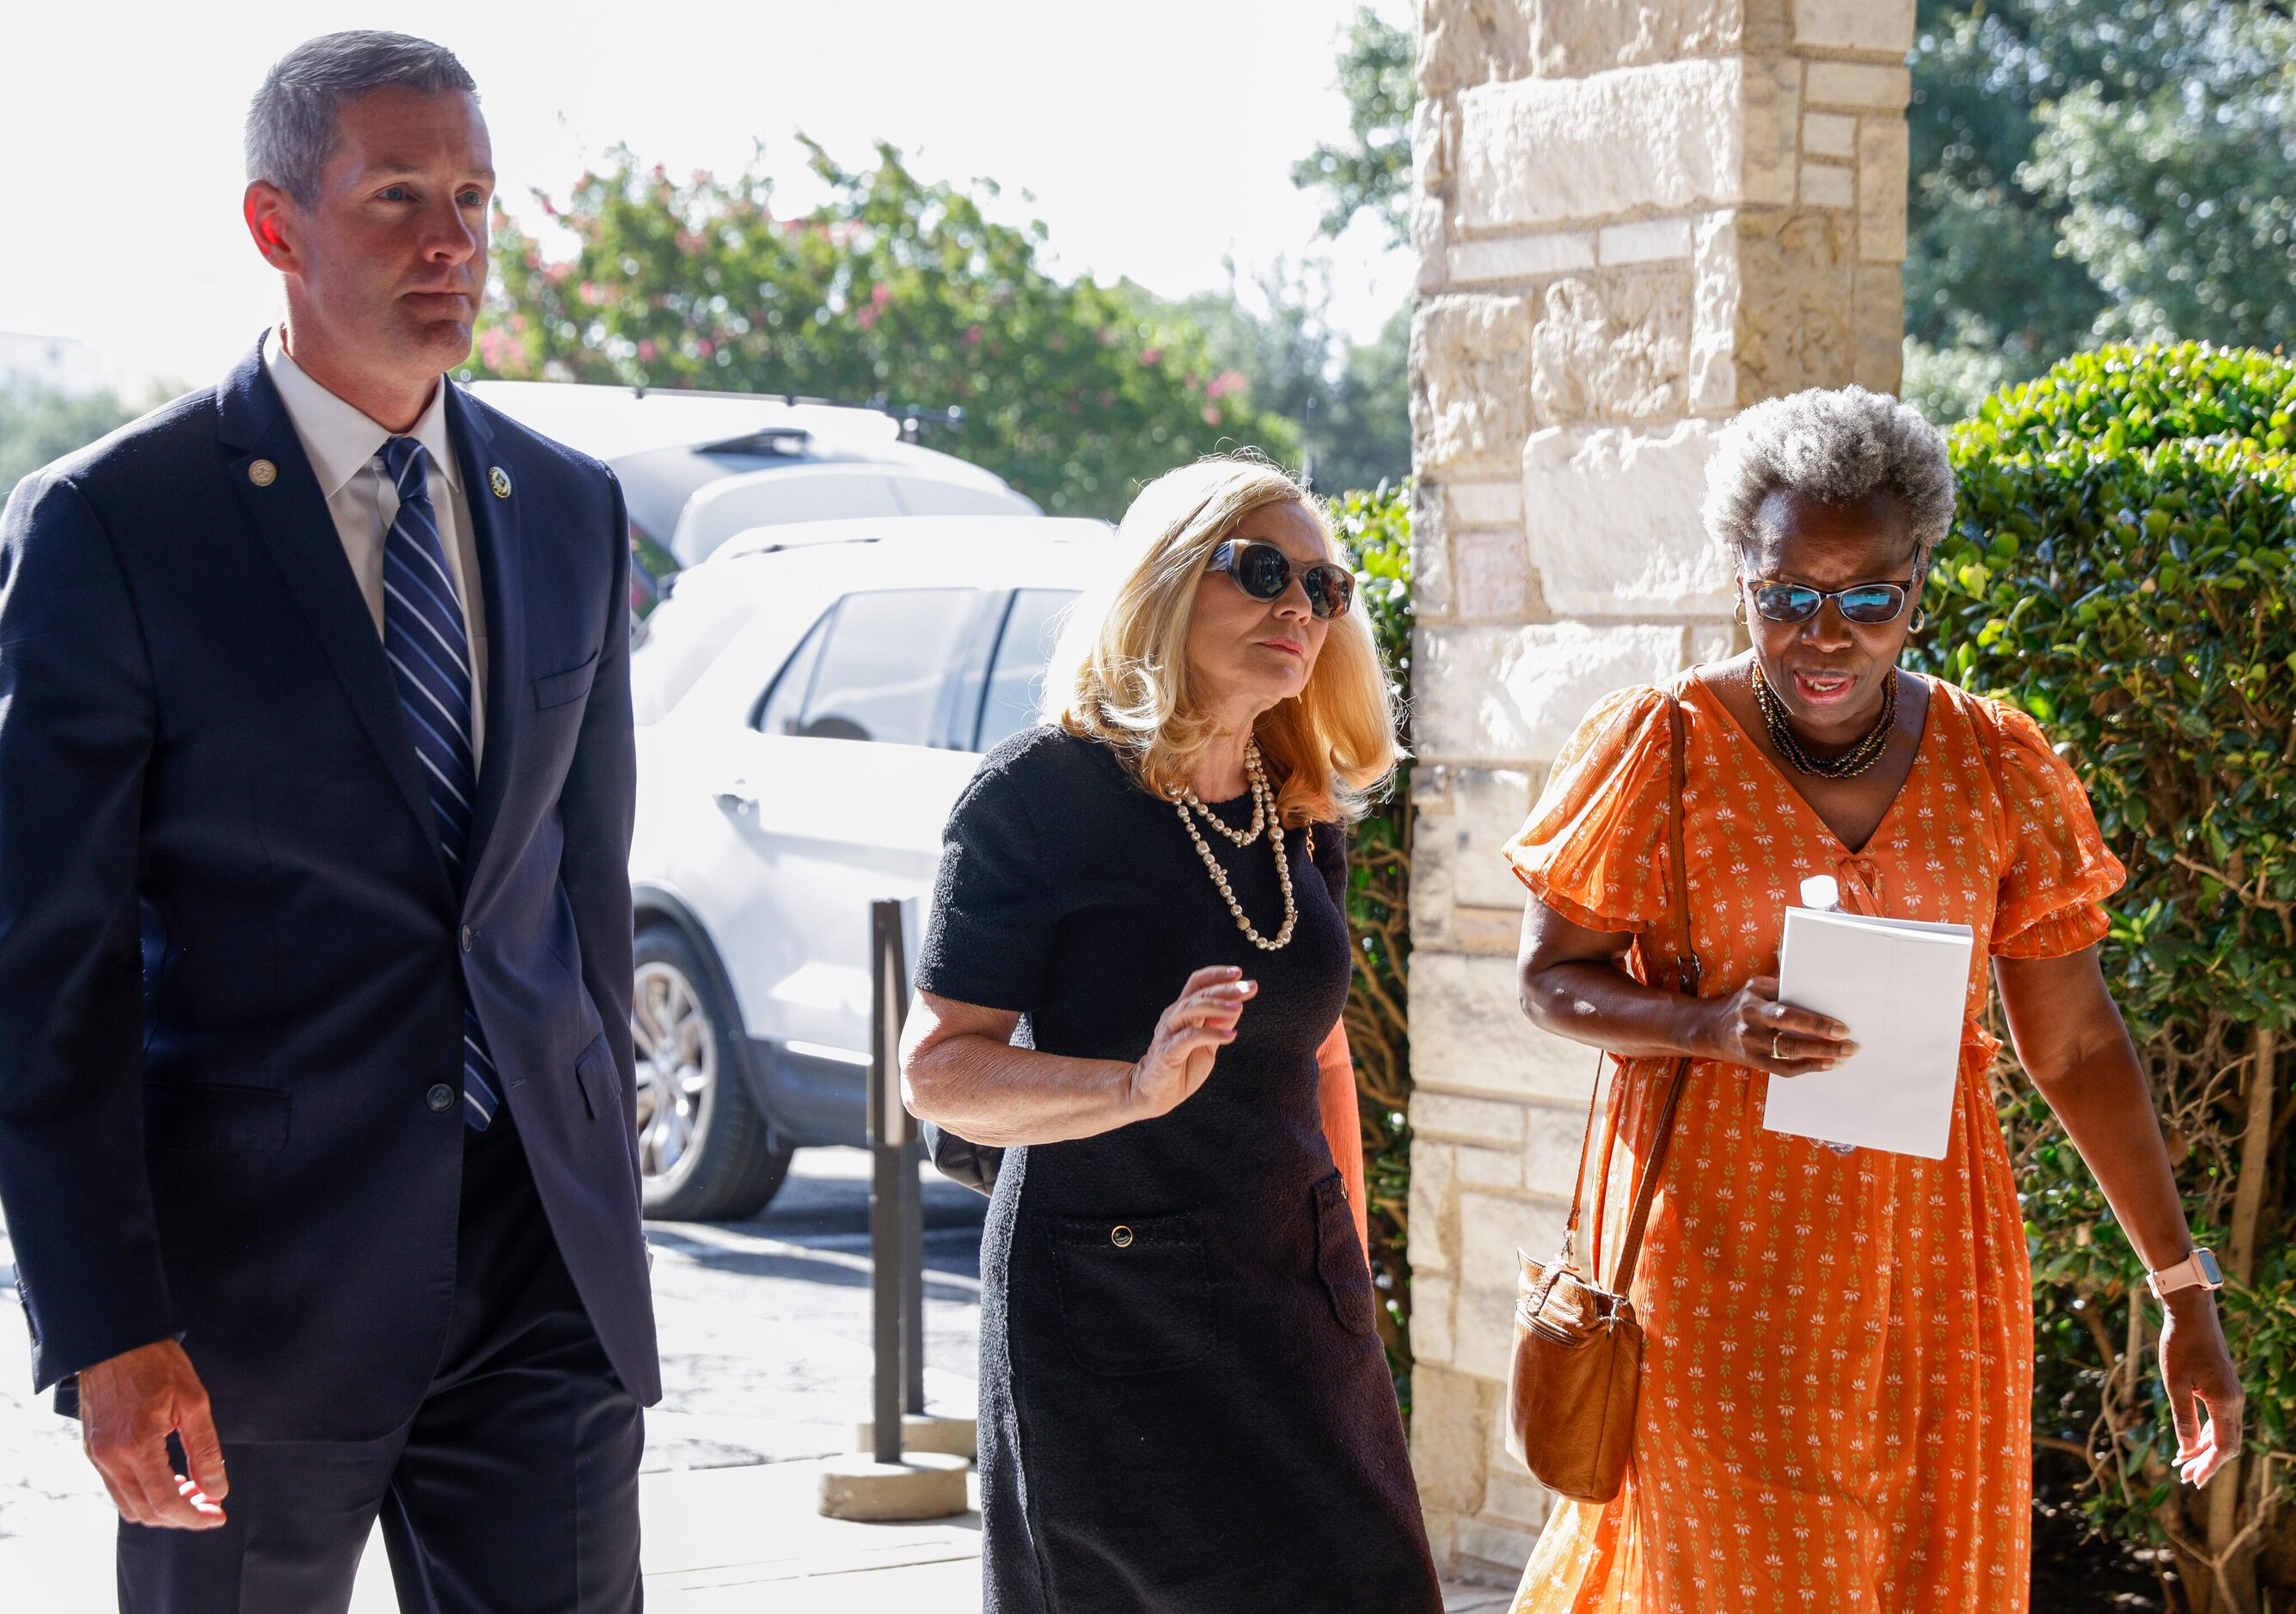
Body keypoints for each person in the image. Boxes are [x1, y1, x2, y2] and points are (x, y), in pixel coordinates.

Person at [0, 33, 654, 1611]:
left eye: (477, 199)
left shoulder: (568, 508)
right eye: (400, 196)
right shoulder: (116, 523)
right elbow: (44, 965)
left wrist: (604, 1183)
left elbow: (584, 886)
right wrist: (104, 1324)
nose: (452, 241)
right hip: (244, 1299)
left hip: (538, 1272)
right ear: (276, 225)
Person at [1500, 386, 2244, 1612]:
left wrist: (2181, 1289)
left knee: (1929, 1579)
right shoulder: (1664, 746)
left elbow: (2074, 1041)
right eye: (1788, 594)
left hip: (1935, 1282)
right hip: (1718, 1281)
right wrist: (1704, 1024)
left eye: (1866, 598)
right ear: (1743, 577)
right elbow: (1545, 981)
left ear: (1918, 586)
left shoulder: (1995, 760)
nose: (1824, 634)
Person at [901, 455, 1440, 1612]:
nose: (1298, 606)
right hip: (1109, 1302)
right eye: (1260, 572)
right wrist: (1132, 1085)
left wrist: (1345, 1261)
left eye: (1323, 586)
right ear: (1164, 581)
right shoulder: (1033, 800)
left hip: (1295, 1289)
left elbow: (1318, 1051)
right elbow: (936, 1069)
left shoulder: (1291, 799)